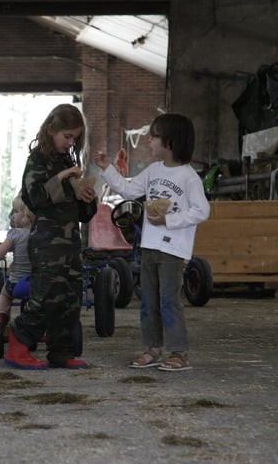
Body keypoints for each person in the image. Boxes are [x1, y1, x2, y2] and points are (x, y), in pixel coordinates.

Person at [93, 113, 210, 372]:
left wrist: (169, 220)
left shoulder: (189, 177)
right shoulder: (153, 171)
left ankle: (179, 353)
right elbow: (129, 190)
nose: (149, 142)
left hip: (171, 249)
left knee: (169, 300)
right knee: (148, 300)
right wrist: (106, 169)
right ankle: (153, 349)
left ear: (170, 142)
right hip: (149, 246)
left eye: (154, 137)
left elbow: (202, 211)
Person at [5, 103, 97, 370]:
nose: (70, 143)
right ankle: (18, 345)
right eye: (67, 136)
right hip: (47, 242)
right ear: (50, 129)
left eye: (75, 139)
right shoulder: (37, 160)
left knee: (70, 297)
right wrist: (64, 177)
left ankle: (61, 351)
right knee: (45, 296)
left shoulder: (67, 159)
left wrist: (87, 198)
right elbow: (34, 198)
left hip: (70, 243)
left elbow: (83, 214)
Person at [0, 193, 34, 341]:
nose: (13, 215)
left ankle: (1, 319)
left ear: (27, 216)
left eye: (16, 211)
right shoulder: (40, 234)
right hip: (38, 285)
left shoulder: (14, 234)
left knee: (4, 295)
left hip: (15, 284)